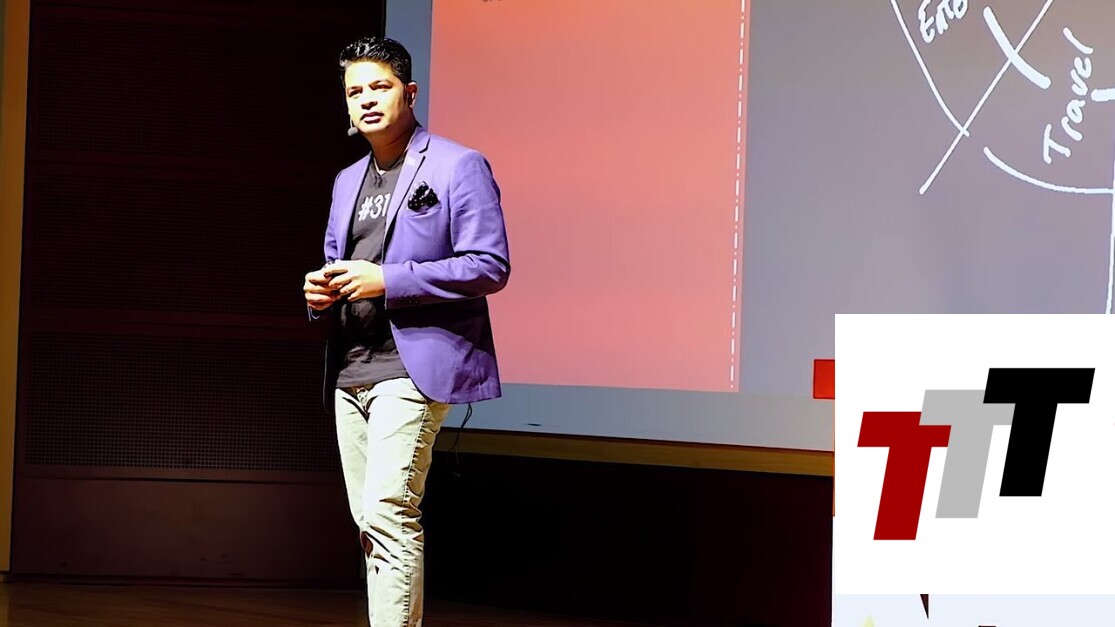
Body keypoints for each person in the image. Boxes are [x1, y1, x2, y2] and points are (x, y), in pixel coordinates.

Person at [302, 35, 510, 627]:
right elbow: (340, 265)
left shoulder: (456, 165)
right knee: (372, 524)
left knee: (390, 513)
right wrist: (320, 292)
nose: (366, 100)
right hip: (351, 369)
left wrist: (388, 280)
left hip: (413, 365)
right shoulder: (347, 180)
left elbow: (488, 265)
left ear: (409, 93)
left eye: (380, 86)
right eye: (355, 91)